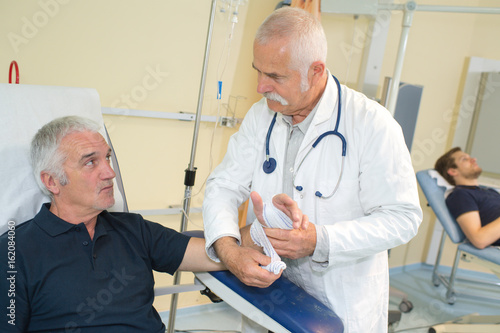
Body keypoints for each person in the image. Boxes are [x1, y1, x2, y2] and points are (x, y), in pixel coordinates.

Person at [202, 7, 422, 333]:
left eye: (275, 76)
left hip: (341, 298)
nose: (261, 86)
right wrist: (229, 250)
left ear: (316, 71)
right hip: (273, 293)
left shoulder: (371, 125)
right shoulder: (261, 116)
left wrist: (320, 240)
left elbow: (402, 218)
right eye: (257, 71)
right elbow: (224, 184)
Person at [0, 115, 229, 332]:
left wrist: (259, 233)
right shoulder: (13, 251)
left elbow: (220, 253)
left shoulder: (134, 229)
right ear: (52, 181)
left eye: (107, 157)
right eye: (90, 162)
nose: (110, 172)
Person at [435, 147, 500, 249]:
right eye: (464, 159)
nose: (474, 159)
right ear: (453, 171)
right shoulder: (460, 195)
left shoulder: (489, 191)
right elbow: (479, 240)